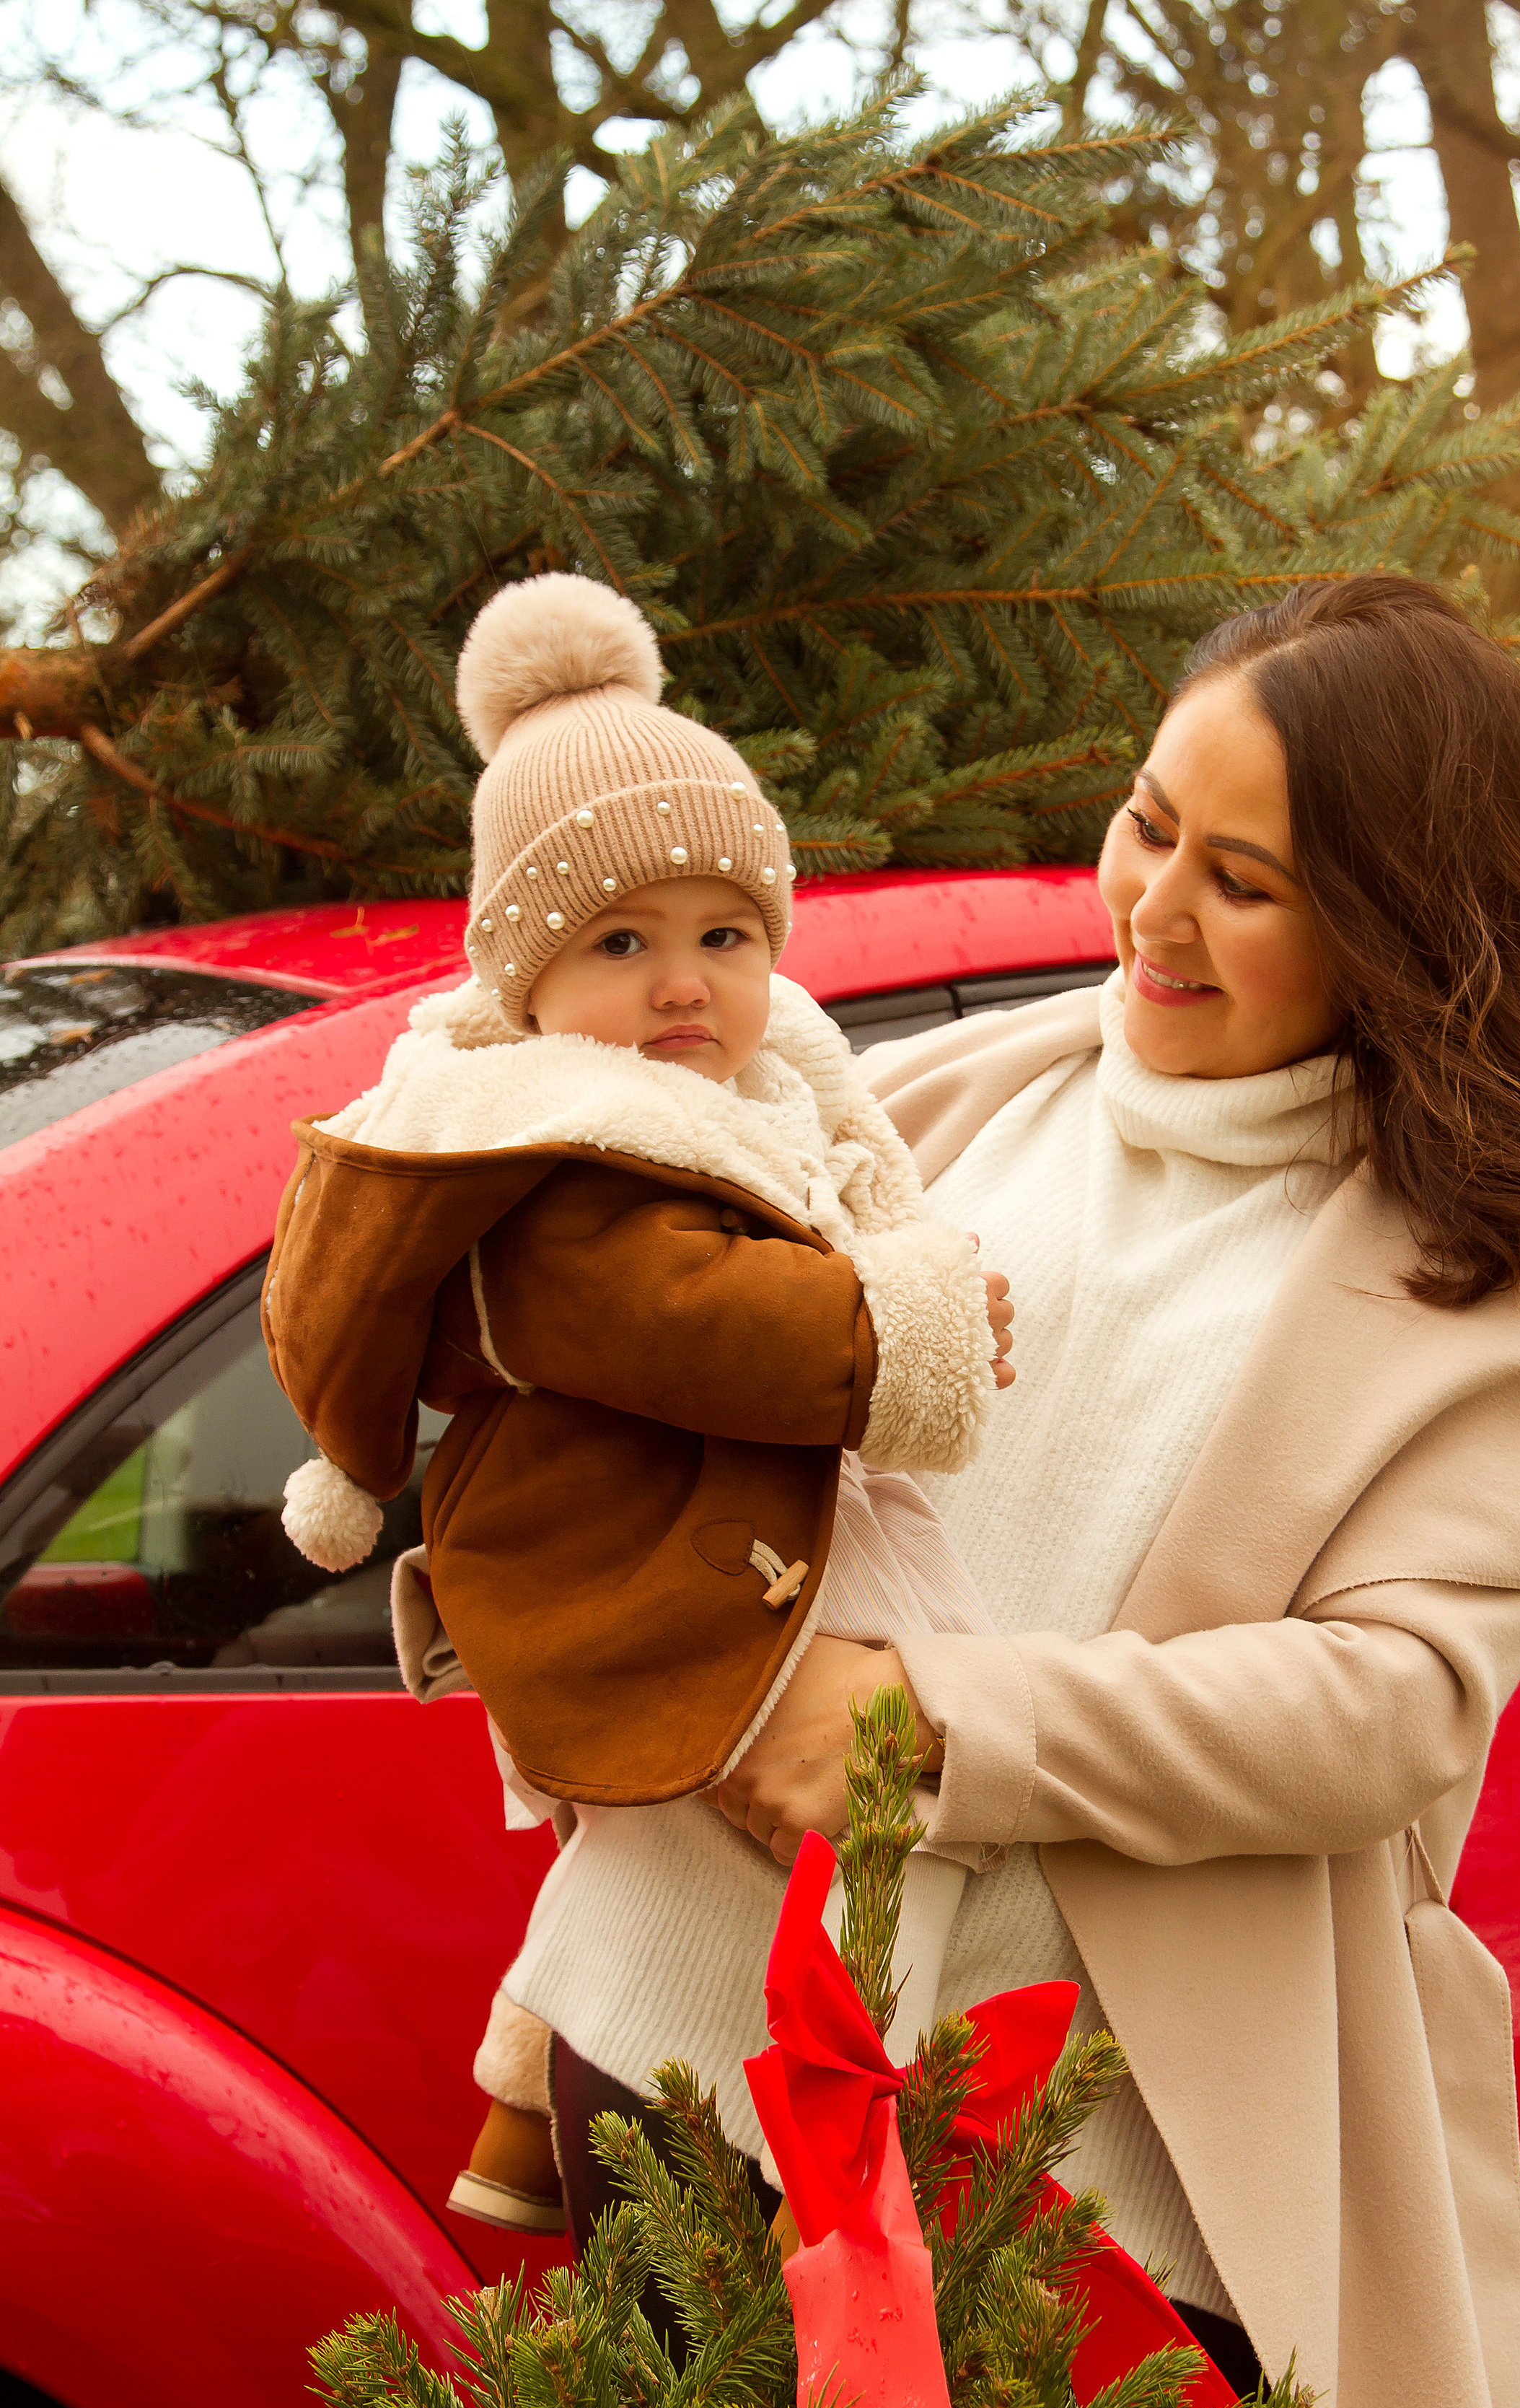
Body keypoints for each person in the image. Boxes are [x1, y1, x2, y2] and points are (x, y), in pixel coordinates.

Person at [685, 572, 1520, 2408]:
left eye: (1247, 881)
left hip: (1138, 2174)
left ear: (1399, 924)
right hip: (755, 2070)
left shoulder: (1508, 1264)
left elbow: (1385, 1707)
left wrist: (927, 1730)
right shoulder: (957, 1097)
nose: (1154, 912)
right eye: (1145, 827)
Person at [262, 572, 1012, 2235]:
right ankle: (825, 2135)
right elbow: (692, 1318)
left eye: (722, 937)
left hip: (705, 1538)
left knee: (674, 1869)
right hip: (660, 1560)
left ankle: (528, 2097)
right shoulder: (562, 1149)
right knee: (883, 1816)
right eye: (621, 942)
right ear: (527, 979)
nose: (683, 984)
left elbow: (808, 1215)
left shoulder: (733, 1090)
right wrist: (907, 1326)